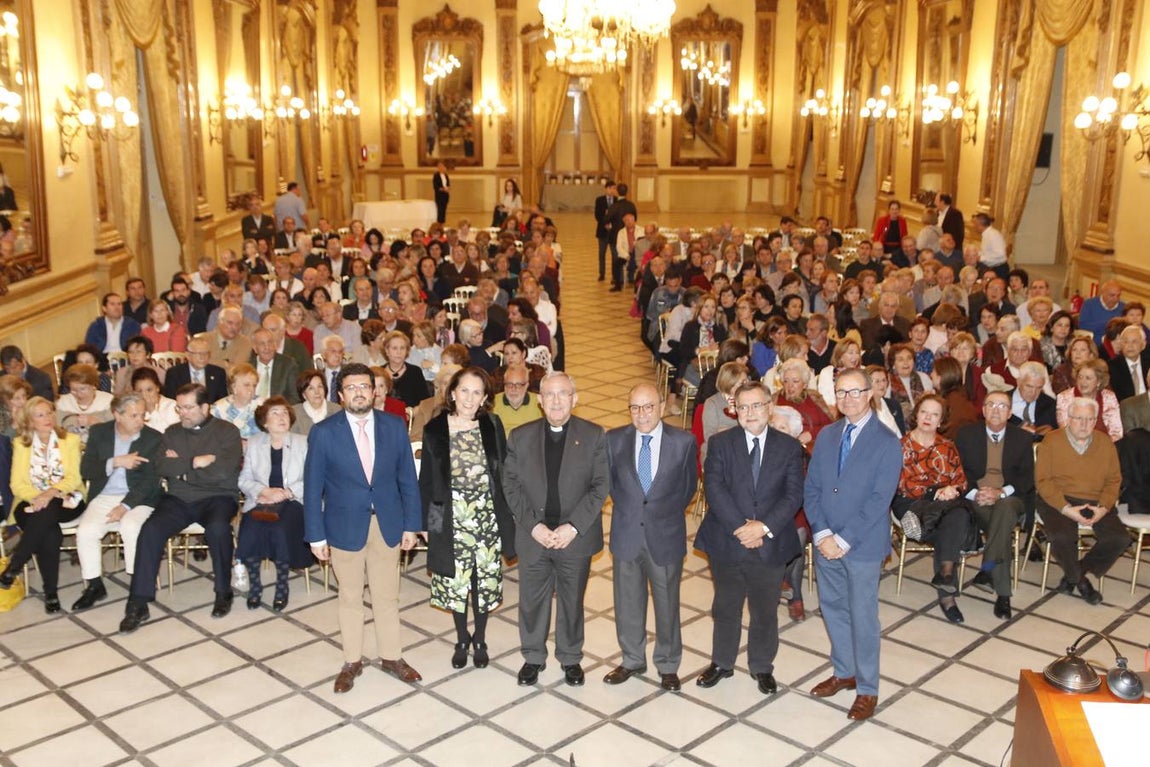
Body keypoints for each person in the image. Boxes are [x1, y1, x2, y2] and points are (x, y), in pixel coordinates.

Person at [304, 363, 423, 692]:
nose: (358, 392)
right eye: (351, 388)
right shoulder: (324, 432)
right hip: (343, 526)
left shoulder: (394, 426)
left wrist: (412, 524)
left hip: (387, 523)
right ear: (341, 395)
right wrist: (315, 534)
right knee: (350, 597)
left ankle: (392, 656)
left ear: (375, 391)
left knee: (387, 596)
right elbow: (313, 488)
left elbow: (407, 480)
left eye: (364, 387)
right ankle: (352, 661)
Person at [805, 368, 903, 721]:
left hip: (860, 545)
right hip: (825, 539)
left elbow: (880, 500)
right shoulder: (829, 435)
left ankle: (867, 688)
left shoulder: (887, 441)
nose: (848, 399)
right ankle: (844, 671)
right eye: (841, 392)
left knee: (863, 616)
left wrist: (843, 539)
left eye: (855, 392)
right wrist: (821, 533)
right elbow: (813, 487)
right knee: (833, 607)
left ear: (870, 394)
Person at [694, 381, 803, 695]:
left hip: (770, 542)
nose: (750, 412)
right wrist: (742, 528)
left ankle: (761, 666)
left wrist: (763, 528)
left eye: (757, 405)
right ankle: (722, 663)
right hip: (728, 540)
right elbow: (714, 489)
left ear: (770, 407)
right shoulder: (720, 443)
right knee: (726, 606)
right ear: (734, 410)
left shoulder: (789, 446)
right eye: (743, 407)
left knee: (765, 610)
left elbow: (793, 495)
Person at [504, 372, 609, 687]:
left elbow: (601, 485)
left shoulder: (594, 435)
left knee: (571, 600)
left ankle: (571, 657)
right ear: (539, 401)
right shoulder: (520, 437)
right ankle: (533, 657)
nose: (556, 400)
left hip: (575, 537)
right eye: (549, 394)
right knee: (532, 601)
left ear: (574, 399)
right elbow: (510, 485)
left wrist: (573, 527)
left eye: (563, 394)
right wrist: (533, 526)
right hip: (533, 535)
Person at [119, 383, 243, 632]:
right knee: (150, 530)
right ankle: (138, 602)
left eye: (188, 408)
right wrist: (197, 462)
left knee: (218, 529)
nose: (182, 413)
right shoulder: (172, 432)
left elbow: (224, 472)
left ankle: (223, 591)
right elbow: (162, 467)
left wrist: (183, 470)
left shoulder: (227, 432)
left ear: (205, 407)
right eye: (179, 407)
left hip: (218, 497)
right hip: (178, 498)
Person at [419, 368, 515, 669]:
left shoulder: (492, 425)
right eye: (464, 391)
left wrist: (509, 517)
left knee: (483, 581)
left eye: (477, 392)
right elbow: (429, 483)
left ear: (485, 397)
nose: (469, 398)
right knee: (456, 582)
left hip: (486, 516)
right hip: (451, 519)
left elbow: (505, 473)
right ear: (452, 393)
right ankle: (462, 638)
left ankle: (481, 637)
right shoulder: (435, 429)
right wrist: (429, 527)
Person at [604, 383, 697, 691]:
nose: (641, 415)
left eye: (648, 407)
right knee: (627, 602)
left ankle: (668, 663)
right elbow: (611, 485)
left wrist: (663, 513)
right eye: (635, 408)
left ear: (661, 406)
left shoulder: (683, 442)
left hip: (665, 535)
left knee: (667, 603)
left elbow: (688, 488)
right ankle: (632, 658)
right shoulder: (614, 440)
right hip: (627, 533)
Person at [73, 394, 161, 611]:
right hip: (105, 495)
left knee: (131, 527)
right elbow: (86, 470)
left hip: (139, 498)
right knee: (86, 531)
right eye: (134, 415)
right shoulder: (99, 433)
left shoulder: (153, 438)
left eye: (142, 414)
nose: (140, 420)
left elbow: (150, 481)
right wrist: (116, 462)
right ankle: (94, 585)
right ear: (117, 415)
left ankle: (137, 587)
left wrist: (125, 506)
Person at [1035, 397, 1126, 604]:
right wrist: (1067, 509)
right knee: (1061, 535)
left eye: (1090, 419)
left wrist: (1103, 508)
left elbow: (1114, 481)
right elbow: (1043, 481)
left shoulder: (1104, 442)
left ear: (1096, 420)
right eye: (1078, 418)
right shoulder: (1052, 440)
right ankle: (1082, 582)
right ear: (1068, 418)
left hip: (1095, 499)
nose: (1084, 424)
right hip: (1058, 498)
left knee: (1119, 538)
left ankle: (1073, 575)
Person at [0, 398, 86, 612]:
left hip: (67, 498)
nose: (47, 418)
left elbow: (73, 478)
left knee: (45, 514)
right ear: (30, 420)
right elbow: (17, 484)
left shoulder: (70, 440)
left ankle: (14, 566)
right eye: (40, 415)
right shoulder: (21, 444)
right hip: (30, 501)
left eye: (49, 413)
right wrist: (38, 497)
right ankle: (51, 593)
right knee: (49, 532)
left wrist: (49, 494)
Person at [893, 395, 974, 623]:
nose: (928, 417)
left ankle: (946, 576)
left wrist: (952, 490)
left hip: (943, 505)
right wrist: (935, 492)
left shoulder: (947, 446)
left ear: (941, 421)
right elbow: (898, 483)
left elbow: (961, 481)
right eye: (924, 412)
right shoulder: (901, 446)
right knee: (953, 524)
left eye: (934, 414)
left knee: (956, 514)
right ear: (916, 415)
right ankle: (947, 591)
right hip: (910, 506)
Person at [955, 391, 1034, 619]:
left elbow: (1026, 480)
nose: (996, 410)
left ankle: (988, 568)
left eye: (1002, 406)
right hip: (976, 499)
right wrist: (975, 494)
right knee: (1002, 525)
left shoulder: (1022, 438)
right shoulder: (967, 434)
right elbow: (959, 472)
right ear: (983, 409)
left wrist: (1000, 493)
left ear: (1010, 413)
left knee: (1006, 509)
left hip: (1011, 497)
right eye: (991, 404)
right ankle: (1002, 594)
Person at [237, 396, 311, 612]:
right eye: (275, 413)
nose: (282, 417)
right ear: (265, 422)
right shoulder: (254, 443)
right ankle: (255, 587)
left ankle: (281, 586)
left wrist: (286, 493)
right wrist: (263, 490)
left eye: (285, 413)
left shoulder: (302, 442)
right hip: (261, 501)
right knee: (249, 526)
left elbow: (312, 479)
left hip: (294, 501)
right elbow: (243, 479)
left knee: (280, 528)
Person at [163, 337, 228, 403]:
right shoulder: (174, 373)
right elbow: (170, 401)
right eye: (199, 353)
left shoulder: (218, 373)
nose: (202, 357)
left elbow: (222, 401)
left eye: (206, 353)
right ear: (188, 355)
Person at [291, 369, 341, 436]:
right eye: (311, 388)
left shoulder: (337, 410)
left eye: (320, 386)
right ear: (304, 395)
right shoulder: (294, 413)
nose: (317, 392)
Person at [593, 181, 617, 282]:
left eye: (614, 188)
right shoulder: (599, 200)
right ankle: (601, 273)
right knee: (602, 253)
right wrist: (605, 223)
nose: (612, 190)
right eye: (610, 188)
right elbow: (597, 215)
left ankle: (614, 275)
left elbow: (617, 216)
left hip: (613, 231)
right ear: (606, 189)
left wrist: (611, 224)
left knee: (614, 254)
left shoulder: (616, 200)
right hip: (602, 231)